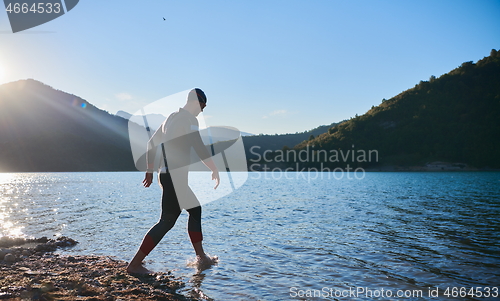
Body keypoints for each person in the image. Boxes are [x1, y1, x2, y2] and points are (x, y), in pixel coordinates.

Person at [127, 88, 220, 274]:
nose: (203, 110)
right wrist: (214, 167)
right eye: (203, 105)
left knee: (194, 210)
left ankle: (201, 258)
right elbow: (198, 146)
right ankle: (135, 265)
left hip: (167, 174)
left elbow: (151, 143)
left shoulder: (170, 118)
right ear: (196, 101)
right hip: (175, 177)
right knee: (167, 221)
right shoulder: (189, 120)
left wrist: (150, 170)